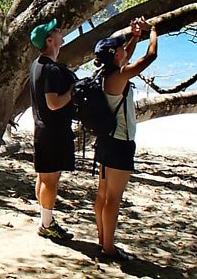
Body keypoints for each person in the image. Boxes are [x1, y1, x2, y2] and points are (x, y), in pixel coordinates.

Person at [92, 17, 157, 261]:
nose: (124, 50)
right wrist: (154, 33)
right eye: (120, 48)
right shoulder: (118, 77)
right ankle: (108, 247)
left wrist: (136, 37)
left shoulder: (106, 73)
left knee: (103, 195)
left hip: (106, 142)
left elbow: (126, 56)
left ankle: (102, 240)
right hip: (119, 144)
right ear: (115, 55)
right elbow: (148, 59)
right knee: (113, 198)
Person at [29, 18, 77, 240]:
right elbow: (53, 103)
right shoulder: (51, 69)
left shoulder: (37, 65)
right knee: (50, 180)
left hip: (42, 130)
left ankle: (44, 219)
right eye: (56, 31)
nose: (60, 32)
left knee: (43, 177)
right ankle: (47, 224)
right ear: (50, 40)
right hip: (52, 131)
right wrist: (73, 93)